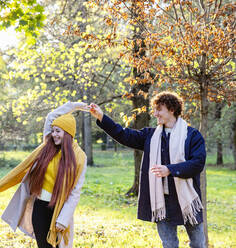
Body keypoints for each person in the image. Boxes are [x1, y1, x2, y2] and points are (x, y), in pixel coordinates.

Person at [88, 91, 206, 248]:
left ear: (171, 109)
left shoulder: (192, 135)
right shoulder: (150, 135)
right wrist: (102, 117)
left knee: (198, 244)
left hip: (187, 200)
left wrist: (170, 169)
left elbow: (198, 163)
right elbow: (124, 135)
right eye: (155, 109)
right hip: (161, 201)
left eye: (159, 109)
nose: (155, 113)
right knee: (169, 245)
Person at [0, 102, 89, 248]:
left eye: (58, 131)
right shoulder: (47, 146)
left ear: (68, 134)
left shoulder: (79, 157)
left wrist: (63, 219)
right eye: (53, 130)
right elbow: (51, 116)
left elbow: (75, 191)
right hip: (40, 207)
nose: (54, 134)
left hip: (58, 210)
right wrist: (74, 106)